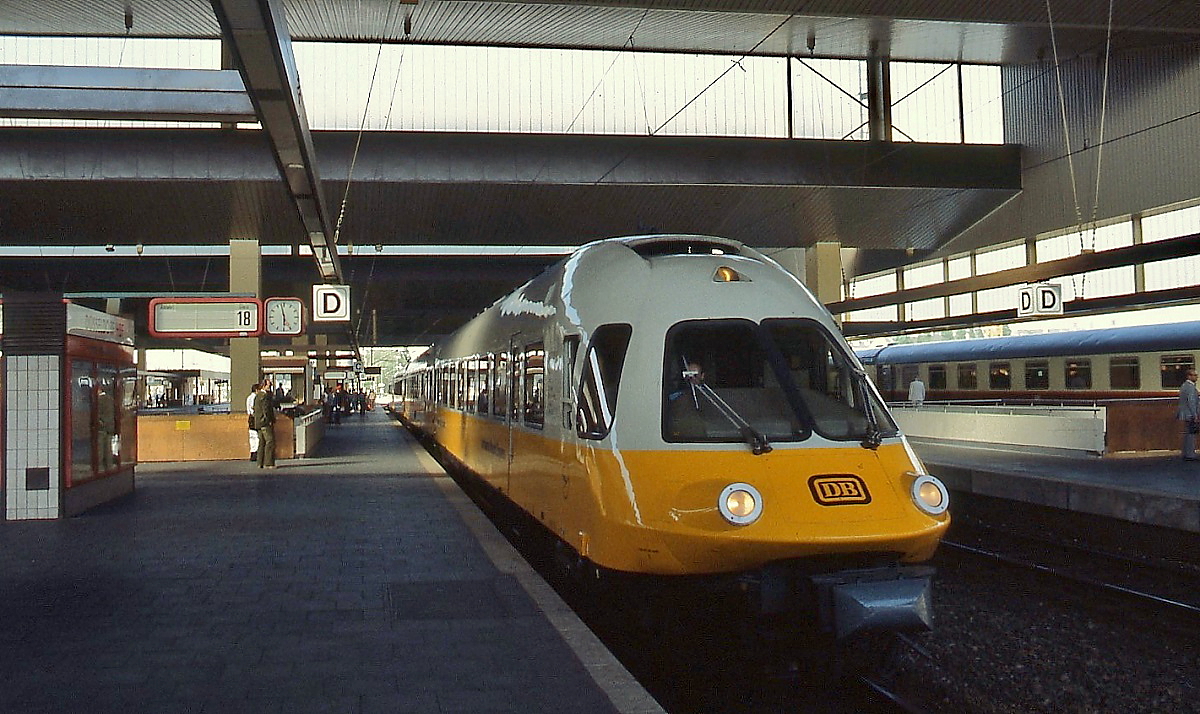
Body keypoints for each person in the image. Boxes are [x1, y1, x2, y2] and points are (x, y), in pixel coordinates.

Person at [252, 380, 277, 469]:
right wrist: (269, 420)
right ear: (264, 386)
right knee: (270, 441)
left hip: (258, 422)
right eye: (269, 385)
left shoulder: (257, 396)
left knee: (261, 442)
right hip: (265, 423)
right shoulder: (265, 396)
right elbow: (266, 409)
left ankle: (260, 462)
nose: (270, 387)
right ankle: (269, 463)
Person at [1178, 368, 1199, 462]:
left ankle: (1186, 453)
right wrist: (1195, 415)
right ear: (1189, 376)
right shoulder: (1190, 387)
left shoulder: (1184, 386)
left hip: (1185, 413)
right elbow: (1191, 402)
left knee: (1188, 433)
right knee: (1191, 434)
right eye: (1194, 375)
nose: (1196, 377)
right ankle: (1190, 454)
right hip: (1190, 413)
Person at [245, 384, 260, 461]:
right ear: (257, 390)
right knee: (257, 436)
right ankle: (256, 453)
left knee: (252, 436)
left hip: (250, 417)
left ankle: (252, 452)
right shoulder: (255, 398)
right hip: (255, 418)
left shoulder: (248, 398)